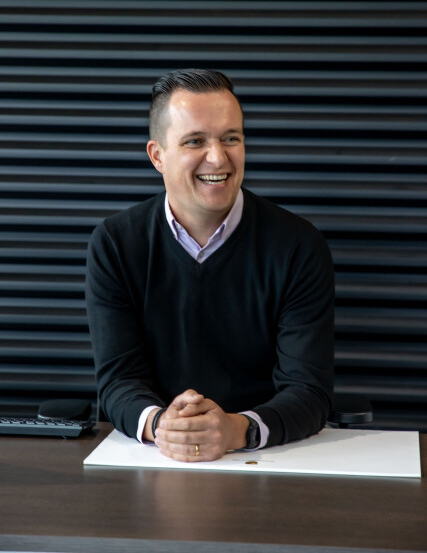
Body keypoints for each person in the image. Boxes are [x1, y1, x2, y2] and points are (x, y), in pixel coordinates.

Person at [85, 68, 335, 462]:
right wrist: (164, 425)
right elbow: (119, 381)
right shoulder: (116, 244)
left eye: (231, 138)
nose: (218, 157)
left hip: (271, 460)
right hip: (153, 459)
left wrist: (237, 429)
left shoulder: (298, 246)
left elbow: (309, 391)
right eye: (195, 141)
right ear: (157, 156)